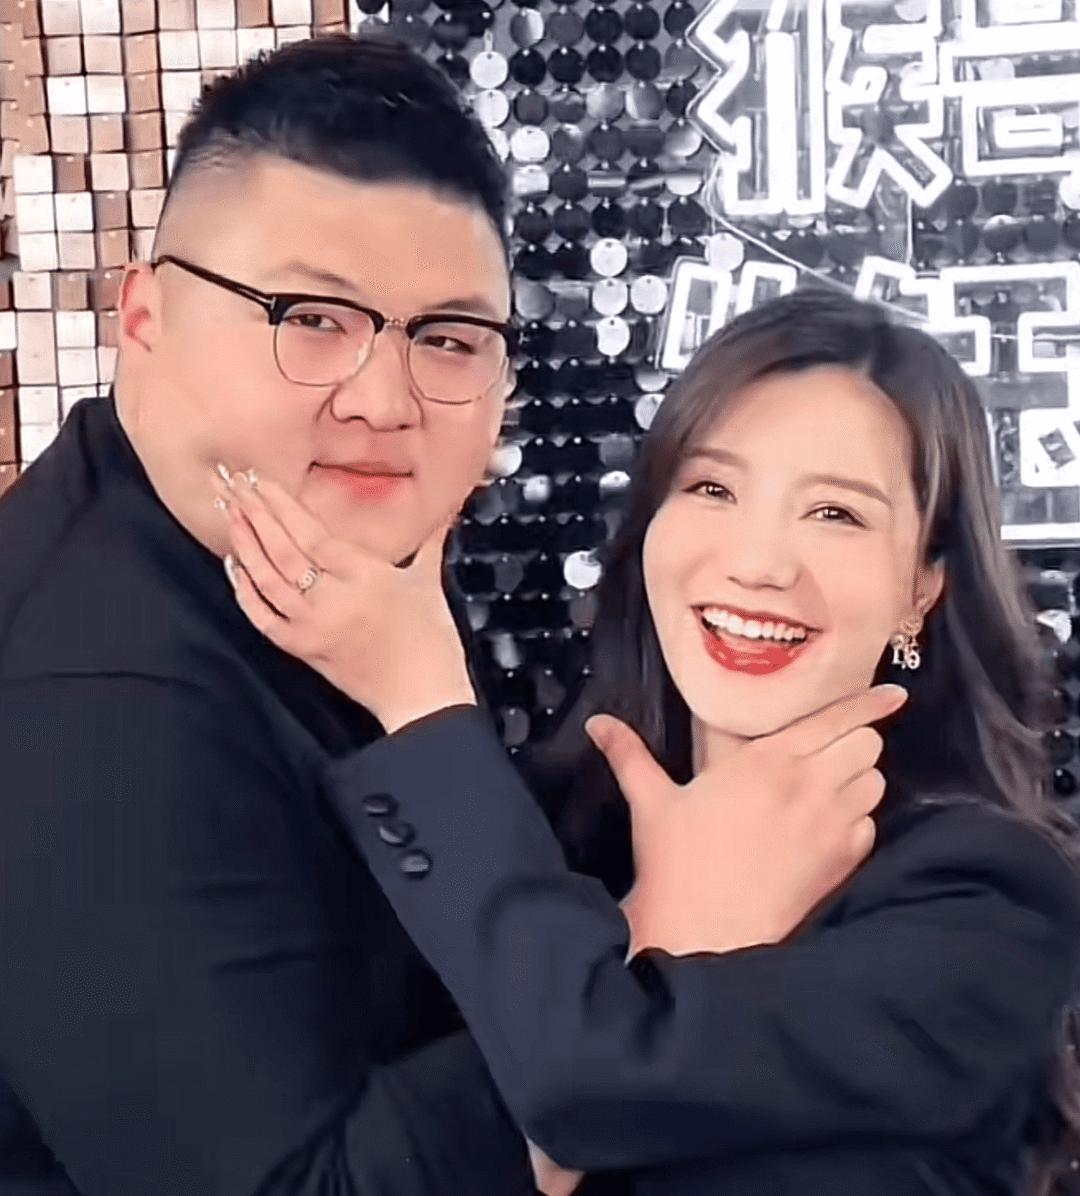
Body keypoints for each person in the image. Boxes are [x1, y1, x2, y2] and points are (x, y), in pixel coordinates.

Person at [0, 32, 892, 1196]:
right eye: (311, 317)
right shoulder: (91, 706)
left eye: (449, 338)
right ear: (145, 316)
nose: (385, 401)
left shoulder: (309, 543)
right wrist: (667, 939)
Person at [219, 289, 1080, 1196]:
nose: (758, 563)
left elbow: (583, 1091)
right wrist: (671, 910)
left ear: (922, 587)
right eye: (713, 488)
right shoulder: (541, 837)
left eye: (836, 514)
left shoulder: (986, 900)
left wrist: (421, 696)